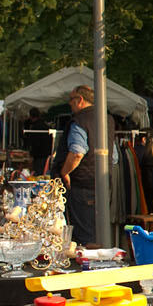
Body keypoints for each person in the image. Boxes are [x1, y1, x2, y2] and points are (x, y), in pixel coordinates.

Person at [55, 85, 102, 248]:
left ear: (80, 100)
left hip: (82, 184)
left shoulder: (80, 120)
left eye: (71, 100)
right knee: (97, 232)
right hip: (101, 183)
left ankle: (87, 266)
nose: (70, 104)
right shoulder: (106, 119)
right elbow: (114, 157)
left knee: (84, 236)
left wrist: (65, 171)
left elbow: (77, 152)